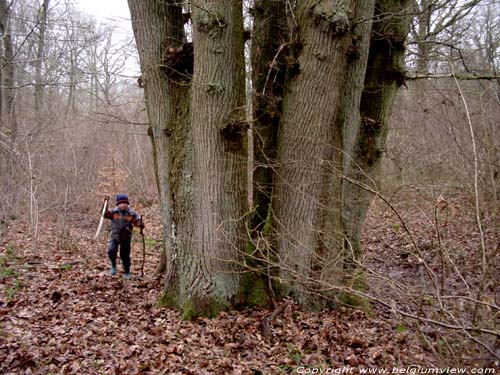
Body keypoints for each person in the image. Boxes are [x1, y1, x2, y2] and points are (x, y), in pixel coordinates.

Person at [103, 193, 144, 279]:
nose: (123, 205)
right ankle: (113, 265)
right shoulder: (113, 212)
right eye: (121, 203)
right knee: (111, 251)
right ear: (118, 204)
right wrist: (105, 203)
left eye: (125, 203)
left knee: (125, 255)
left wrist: (140, 223)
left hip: (126, 237)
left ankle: (127, 271)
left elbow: (137, 220)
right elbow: (105, 214)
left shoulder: (131, 213)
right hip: (115, 236)